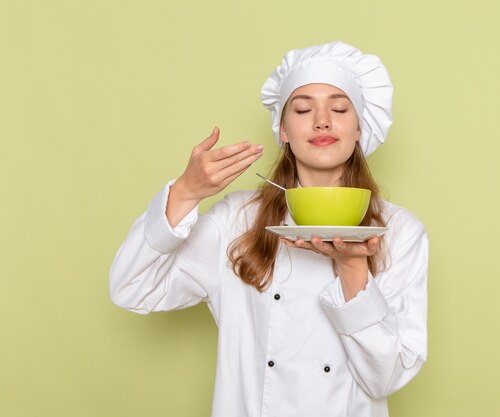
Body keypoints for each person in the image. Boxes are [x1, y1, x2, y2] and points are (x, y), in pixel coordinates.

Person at [110, 41, 429, 417]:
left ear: (360, 127)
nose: (322, 120)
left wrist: (354, 270)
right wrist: (185, 192)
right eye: (303, 108)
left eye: (340, 108)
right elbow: (130, 289)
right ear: (283, 129)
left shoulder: (398, 231)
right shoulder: (236, 221)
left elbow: (386, 379)